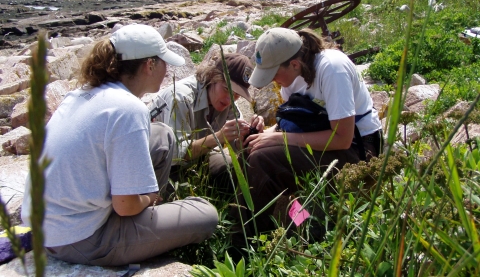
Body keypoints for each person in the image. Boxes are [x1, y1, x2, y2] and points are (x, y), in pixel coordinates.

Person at [21, 24, 218, 266]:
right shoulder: (128, 109)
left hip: (45, 227)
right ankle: (144, 231)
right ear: (149, 65)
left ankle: (145, 227)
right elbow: (125, 206)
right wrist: (149, 198)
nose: (167, 70)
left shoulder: (82, 94)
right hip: (79, 239)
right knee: (206, 214)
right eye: (163, 62)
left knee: (162, 135)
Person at [238, 27, 383, 235]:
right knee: (251, 149)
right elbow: (295, 122)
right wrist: (265, 133)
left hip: (358, 148)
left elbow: (342, 138)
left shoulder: (332, 69)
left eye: (274, 74)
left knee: (263, 160)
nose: (272, 80)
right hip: (323, 137)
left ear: (294, 64)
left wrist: (281, 139)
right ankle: (297, 220)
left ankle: (254, 242)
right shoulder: (291, 76)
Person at [148, 52, 264, 186]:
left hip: (198, 160)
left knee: (239, 171)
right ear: (212, 77)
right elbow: (176, 154)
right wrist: (219, 137)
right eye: (226, 89)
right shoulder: (180, 98)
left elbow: (237, 147)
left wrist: (249, 136)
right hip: (161, 166)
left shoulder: (228, 102)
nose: (229, 100)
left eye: (237, 95)